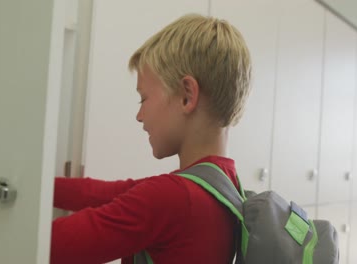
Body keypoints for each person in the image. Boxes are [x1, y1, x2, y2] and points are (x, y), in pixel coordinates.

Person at [51, 13, 252, 264]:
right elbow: (102, 193)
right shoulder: (224, 187)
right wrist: (33, 189)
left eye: (144, 98)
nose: (139, 115)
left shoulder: (173, 198)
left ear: (187, 96)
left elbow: (48, 245)